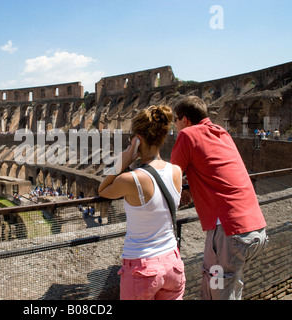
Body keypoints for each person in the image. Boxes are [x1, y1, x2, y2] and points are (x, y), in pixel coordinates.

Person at [170, 96, 268, 300]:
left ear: (185, 120)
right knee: (231, 287)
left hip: (229, 233)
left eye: (175, 120)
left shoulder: (187, 135)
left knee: (216, 291)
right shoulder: (222, 133)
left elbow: (170, 177)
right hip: (256, 229)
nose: (175, 125)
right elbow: (212, 167)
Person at [98, 105, 185, 300]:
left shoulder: (131, 179)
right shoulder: (177, 171)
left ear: (138, 138)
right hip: (173, 262)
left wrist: (126, 157)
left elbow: (102, 190)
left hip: (142, 267)